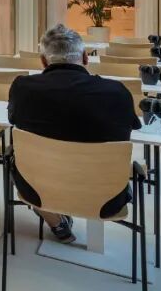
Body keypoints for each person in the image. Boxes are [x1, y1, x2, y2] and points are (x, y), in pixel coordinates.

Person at [7, 23, 140, 244]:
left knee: (13, 154)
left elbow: (13, 120)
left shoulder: (22, 87)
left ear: (43, 61)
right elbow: (130, 127)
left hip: (38, 188)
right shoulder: (117, 92)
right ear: (85, 57)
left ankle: (57, 223)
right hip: (105, 196)